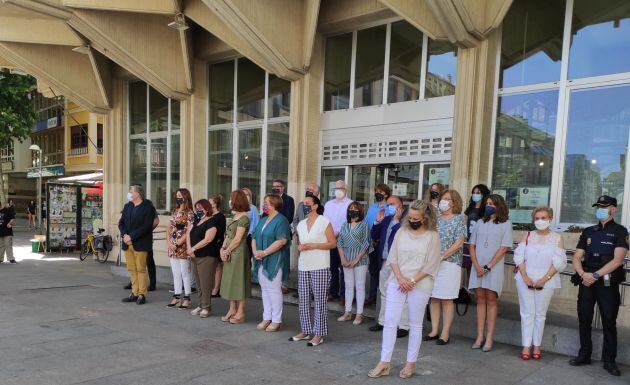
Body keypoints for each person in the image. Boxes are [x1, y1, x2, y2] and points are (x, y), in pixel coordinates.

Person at [368, 200, 441, 379]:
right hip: (397, 281)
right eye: (411, 217)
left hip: (420, 284)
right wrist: (401, 279)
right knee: (390, 322)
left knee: (415, 324)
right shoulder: (401, 231)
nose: (412, 220)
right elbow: (393, 258)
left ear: (425, 218)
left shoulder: (433, 236)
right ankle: (384, 362)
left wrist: (412, 280)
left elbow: (431, 264)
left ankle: (410, 364)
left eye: (416, 218)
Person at [569, 195, 628, 377]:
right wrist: (583, 274)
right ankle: (584, 355)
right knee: (584, 318)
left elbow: (618, 260)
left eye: (604, 206)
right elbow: (577, 257)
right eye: (598, 206)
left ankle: (609, 360)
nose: (600, 208)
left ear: (613, 209)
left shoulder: (620, 231)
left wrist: (594, 275)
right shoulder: (589, 231)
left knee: (609, 321)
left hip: (606, 283)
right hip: (586, 280)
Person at [513, 206, 566, 360]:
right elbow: (519, 256)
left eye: (543, 218)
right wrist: (524, 276)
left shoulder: (557, 237)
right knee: (526, 313)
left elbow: (560, 262)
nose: (540, 221)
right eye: (537, 218)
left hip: (547, 280)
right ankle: (526, 345)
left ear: (550, 219)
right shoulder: (528, 235)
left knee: (540, 314)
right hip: (525, 279)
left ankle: (537, 345)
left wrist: (544, 279)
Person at [290, 195, 336, 346]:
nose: (305, 205)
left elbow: (332, 244)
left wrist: (314, 245)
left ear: (316, 206)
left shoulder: (324, 221)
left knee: (319, 301)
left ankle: (319, 333)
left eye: (308, 203)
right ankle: (305, 330)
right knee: (303, 300)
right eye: (303, 203)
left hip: (320, 265)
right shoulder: (301, 224)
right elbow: (299, 243)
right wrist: (299, 247)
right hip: (304, 265)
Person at [468, 194, 512, 351]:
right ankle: (480, 335)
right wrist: (477, 265)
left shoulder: (506, 224)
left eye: (492, 203)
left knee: (491, 299)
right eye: (487, 203)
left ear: (499, 206)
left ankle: (490, 337)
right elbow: (471, 245)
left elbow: (504, 247)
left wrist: (488, 266)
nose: (488, 206)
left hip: (493, 268)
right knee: (480, 299)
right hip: (477, 266)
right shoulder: (480, 222)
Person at [426, 189, 467, 345]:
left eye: (447, 199)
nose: (443, 201)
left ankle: (445, 333)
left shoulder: (459, 219)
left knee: (447, 299)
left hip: (450, 264)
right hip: (433, 264)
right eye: (442, 198)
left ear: (454, 202)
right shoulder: (435, 219)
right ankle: (434, 330)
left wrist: (442, 256)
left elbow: (458, 243)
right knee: (434, 298)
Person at [369, 195, 409, 338]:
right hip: (385, 261)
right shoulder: (386, 219)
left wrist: (397, 222)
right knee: (384, 292)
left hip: (400, 264)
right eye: (388, 204)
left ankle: (403, 325)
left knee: (402, 293)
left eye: (392, 203)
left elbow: (404, 238)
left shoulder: (408, 220)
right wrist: (377, 221)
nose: (389, 206)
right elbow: (374, 235)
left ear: (401, 205)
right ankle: (382, 321)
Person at [252, 194, 292, 332]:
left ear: (274, 204)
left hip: (275, 260)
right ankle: (266, 317)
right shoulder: (263, 220)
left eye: (266, 203)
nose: (263, 205)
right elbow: (254, 236)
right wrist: (255, 251)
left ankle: (276, 320)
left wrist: (265, 252)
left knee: (274, 290)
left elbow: (282, 241)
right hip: (260, 258)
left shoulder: (281, 220)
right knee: (264, 290)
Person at [187, 197, 226, 318]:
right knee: (198, 283)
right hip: (194, 256)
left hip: (207, 256)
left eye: (201, 208)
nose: (198, 210)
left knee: (206, 283)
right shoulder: (195, 221)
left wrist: (194, 249)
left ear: (207, 208)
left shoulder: (211, 221)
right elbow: (188, 233)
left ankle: (206, 307)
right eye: (196, 208)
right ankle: (200, 304)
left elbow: (208, 239)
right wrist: (189, 249)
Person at [118, 185, 157, 305]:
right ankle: (134, 293)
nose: (129, 193)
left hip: (140, 243)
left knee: (140, 269)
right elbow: (121, 223)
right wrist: (125, 235)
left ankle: (141, 294)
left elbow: (146, 226)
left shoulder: (148, 208)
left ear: (138, 194)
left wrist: (132, 237)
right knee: (132, 269)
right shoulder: (127, 206)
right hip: (127, 243)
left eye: (131, 191)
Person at [336, 201, 371, 325]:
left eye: (355, 209)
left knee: (360, 286)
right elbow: (339, 242)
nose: (352, 210)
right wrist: (343, 259)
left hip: (360, 260)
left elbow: (366, 243)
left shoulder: (364, 224)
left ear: (360, 211)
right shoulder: (345, 225)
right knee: (348, 285)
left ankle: (359, 314)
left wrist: (355, 260)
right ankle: (347, 312)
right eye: (350, 208)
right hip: (346, 260)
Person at [219, 190, 251, 324]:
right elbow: (227, 236)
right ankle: (232, 309)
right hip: (230, 250)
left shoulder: (244, 217)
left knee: (239, 281)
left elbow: (238, 239)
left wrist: (227, 251)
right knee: (230, 281)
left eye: (231, 199)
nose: (229, 202)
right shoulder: (235, 216)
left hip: (238, 253)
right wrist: (222, 248)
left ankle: (240, 312)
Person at [324, 180, 352, 305]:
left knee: (344, 268)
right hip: (330, 240)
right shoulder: (329, 204)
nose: (338, 190)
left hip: (344, 239)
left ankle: (344, 295)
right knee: (332, 267)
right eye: (336, 188)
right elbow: (325, 220)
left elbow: (350, 222)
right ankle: (333, 292)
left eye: (341, 188)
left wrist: (338, 232)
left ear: (346, 189)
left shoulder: (350, 204)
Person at [166, 189, 195, 309]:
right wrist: (169, 242)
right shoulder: (174, 211)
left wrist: (178, 243)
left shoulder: (190, 213)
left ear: (186, 197)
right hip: (172, 246)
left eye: (180, 196)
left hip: (182, 246)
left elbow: (189, 230)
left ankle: (187, 297)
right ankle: (177, 296)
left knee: (185, 272)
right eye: (177, 195)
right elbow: (169, 227)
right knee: (176, 273)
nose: (178, 198)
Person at [365, 183, 391, 306]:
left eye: (381, 192)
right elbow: (367, 223)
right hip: (371, 242)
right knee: (373, 271)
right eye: (376, 191)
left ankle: (383, 297)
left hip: (382, 243)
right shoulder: (372, 207)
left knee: (383, 271)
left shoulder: (389, 208)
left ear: (386, 193)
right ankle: (372, 296)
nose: (378, 194)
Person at [124, 209, 159, 291]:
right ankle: (134, 282)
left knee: (149, 261)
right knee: (134, 262)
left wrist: (148, 231)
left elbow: (156, 221)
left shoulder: (148, 206)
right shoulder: (131, 207)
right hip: (133, 238)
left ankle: (152, 284)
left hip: (144, 239)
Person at [463, 184, 491, 278]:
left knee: (478, 267)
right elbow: (466, 222)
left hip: (479, 243)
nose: (475, 195)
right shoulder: (471, 207)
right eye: (474, 193)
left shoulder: (486, 209)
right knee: (469, 268)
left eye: (478, 193)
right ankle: (469, 291)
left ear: (484, 194)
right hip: (468, 241)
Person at [272, 179, 294, 293]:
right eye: (274, 186)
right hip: (271, 233)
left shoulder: (289, 200)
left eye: (278, 186)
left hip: (283, 232)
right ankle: (274, 281)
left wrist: (276, 221)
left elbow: (289, 217)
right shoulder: (270, 199)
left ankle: (284, 283)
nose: (275, 188)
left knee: (284, 259)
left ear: (283, 188)